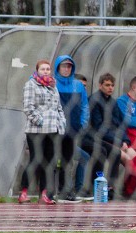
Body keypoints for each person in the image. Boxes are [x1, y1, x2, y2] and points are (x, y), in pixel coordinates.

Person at [19, 59, 66, 205]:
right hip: (36, 130)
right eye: (43, 69)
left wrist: (61, 123)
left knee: (49, 162)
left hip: (53, 130)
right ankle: (24, 192)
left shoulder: (53, 86)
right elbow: (28, 107)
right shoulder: (31, 85)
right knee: (35, 159)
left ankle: (44, 194)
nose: (46, 71)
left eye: (48, 69)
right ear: (37, 70)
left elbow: (59, 107)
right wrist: (40, 121)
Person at [82, 72, 132, 198]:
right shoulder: (94, 100)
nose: (110, 88)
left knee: (121, 154)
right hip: (94, 137)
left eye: (112, 85)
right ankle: (100, 187)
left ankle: (113, 187)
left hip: (112, 138)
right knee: (110, 151)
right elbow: (98, 127)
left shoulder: (113, 102)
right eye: (107, 85)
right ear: (100, 85)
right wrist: (118, 142)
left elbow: (122, 123)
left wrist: (125, 140)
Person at [53, 55, 90, 202]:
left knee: (69, 160)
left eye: (69, 66)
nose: (66, 69)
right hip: (56, 129)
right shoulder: (53, 83)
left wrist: (83, 124)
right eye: (63, 66)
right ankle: (56, 190)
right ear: (57, 67)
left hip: (73, 129)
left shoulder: (78, 85)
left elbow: (84, 106)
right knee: (57, 160)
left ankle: (68, 191)